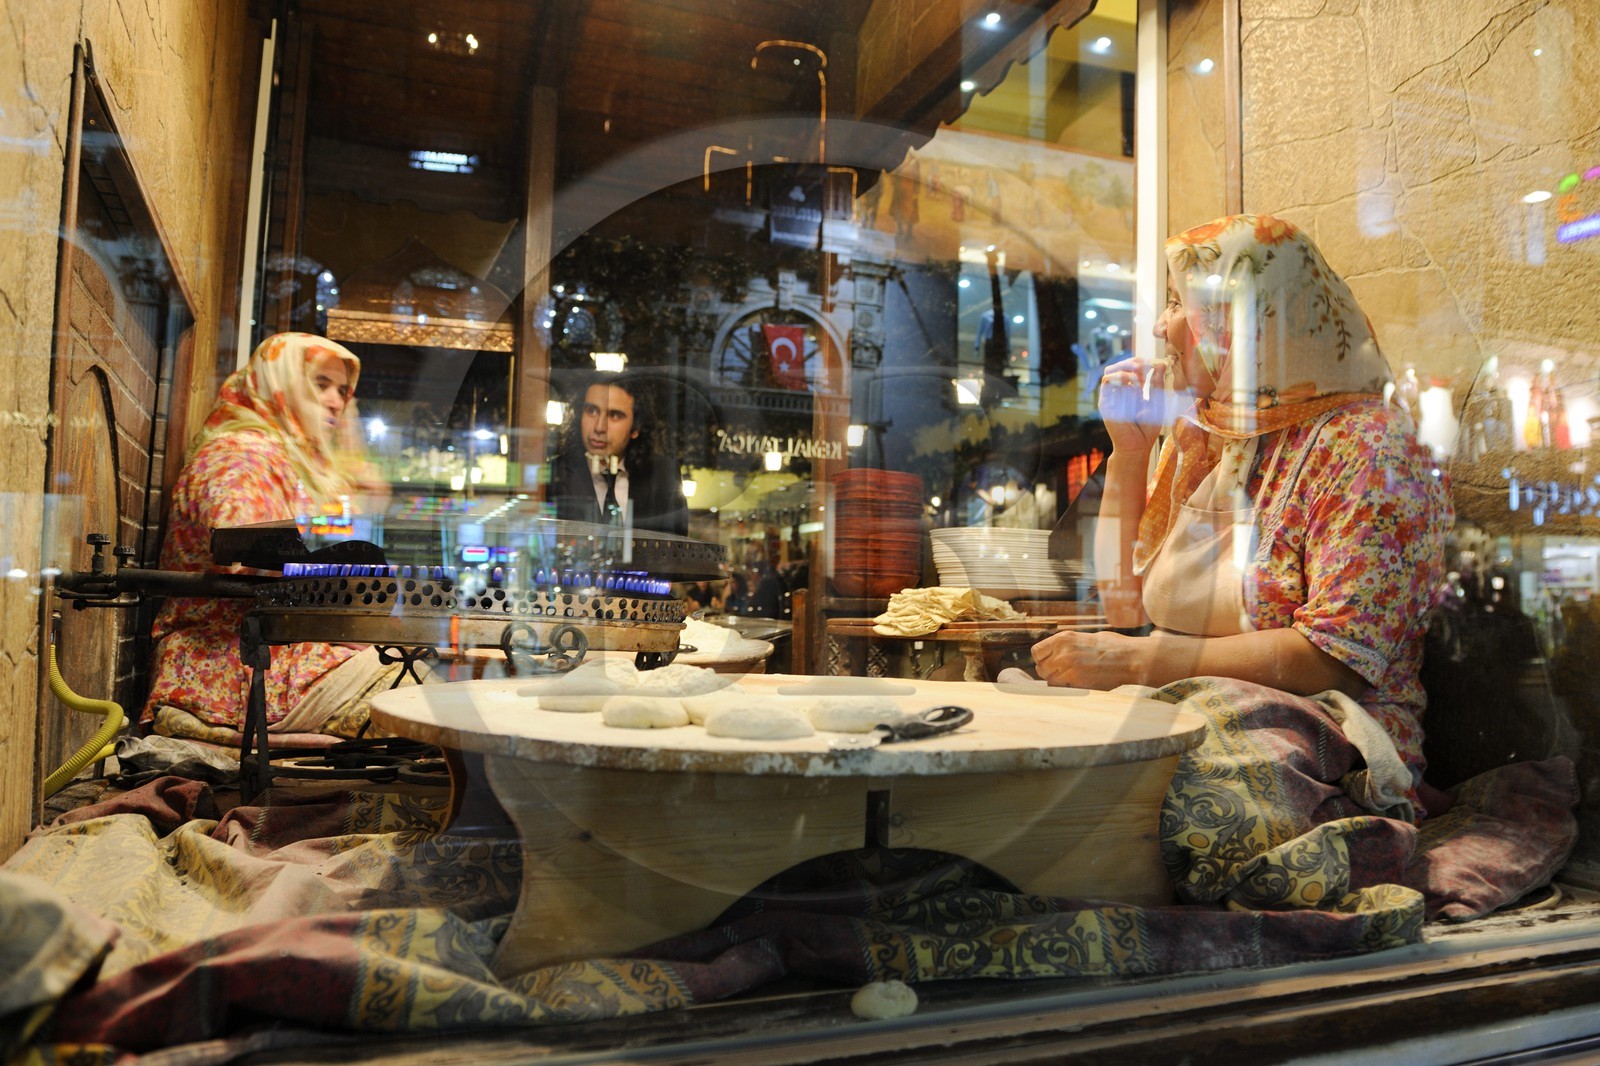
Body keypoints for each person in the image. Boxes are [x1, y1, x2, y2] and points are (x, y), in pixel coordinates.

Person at [1032, 214, 1452, 820]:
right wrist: (1129, 451)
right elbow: (1122, 604)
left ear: (1246, 321)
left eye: (1178, 304)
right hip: (1188, 700)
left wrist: (1137, 662)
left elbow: (1338, 662)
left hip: (1329, 733)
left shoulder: (1370, 448)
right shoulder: (1204, 433)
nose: (1160, 326)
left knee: (1181, 798)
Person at [143, 332, 405, 743]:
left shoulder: (296, 463)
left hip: (286, 651)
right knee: (423, 702)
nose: (336, 402)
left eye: (343, 391)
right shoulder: (241, 455)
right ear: (279, 384)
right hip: (235, 660)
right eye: (320, 384)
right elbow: (247, 554)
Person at [549, 371, 688, 536]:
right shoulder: (555, 473)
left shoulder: (662, 475)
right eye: (591, 411)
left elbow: (676, 547)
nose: (599, 427)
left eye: (614, 415)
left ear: (636, 427)